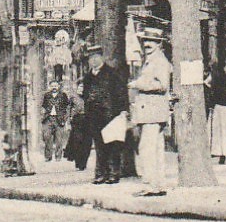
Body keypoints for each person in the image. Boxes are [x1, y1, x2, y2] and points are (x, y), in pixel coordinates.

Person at [129, 26, 172, 197]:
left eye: (151, 41)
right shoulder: (152, 60)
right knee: (156, 149)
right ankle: (158, 185)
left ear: (159, 44)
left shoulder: (159, 61)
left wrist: (138, 84)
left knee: (147, 148)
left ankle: (150, 185)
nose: (147, 44)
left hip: (152, 112)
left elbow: (162, 85)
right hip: (151, 112)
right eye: (145, 41)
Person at [82, 43, 128, 185]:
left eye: (96, 57)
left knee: (113, 144)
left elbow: (121, 92)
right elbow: (86, 95)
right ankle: (100, 173)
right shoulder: (87, 77)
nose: (94, 61)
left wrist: (123, 110)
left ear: (101, 57)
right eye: (91, 58)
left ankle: (113, 173)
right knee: (99, 145)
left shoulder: (111, 73)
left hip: (110, 114)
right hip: (94, 116)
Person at [40, 79, 72, 162]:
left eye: (55, 86)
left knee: (59, 139)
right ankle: (48, 156)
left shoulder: (63, 95)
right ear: (50, 87)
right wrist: (43, 115)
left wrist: (65, 118)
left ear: (58, 86)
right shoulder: (46, 95)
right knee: (47, 137)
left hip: (59, 119)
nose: (54, 87)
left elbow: (67, 107)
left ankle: (58, 157)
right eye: (52, 86)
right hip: (48, 118)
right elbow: (43, 106)